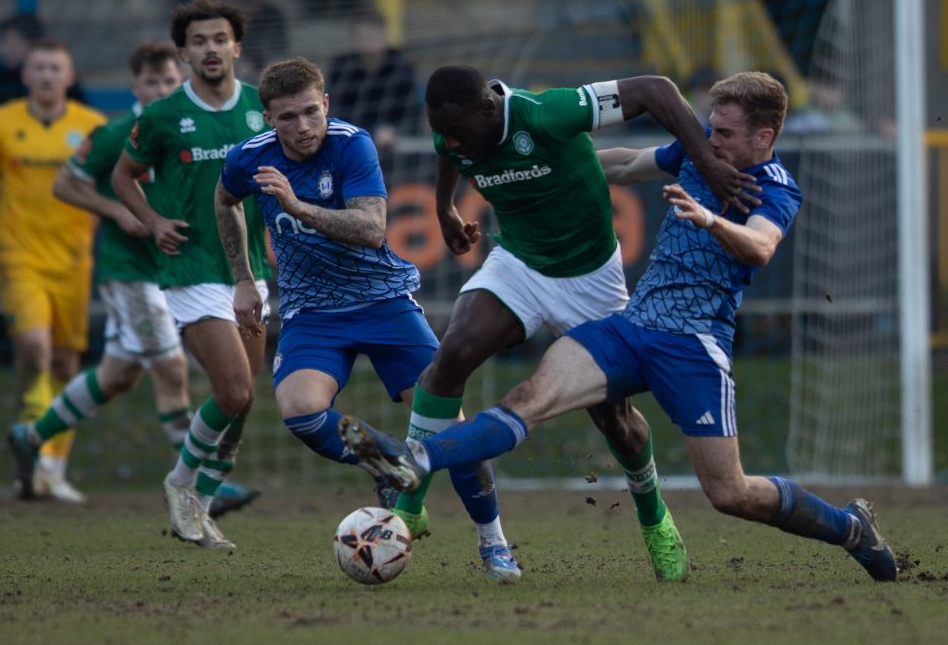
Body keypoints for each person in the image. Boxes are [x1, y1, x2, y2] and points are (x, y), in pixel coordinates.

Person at [339, 71, 899, 583]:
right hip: (631, 328)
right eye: (709, 127)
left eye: (724, 132)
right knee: (529, 397)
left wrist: (709, 217)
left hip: (694, 345)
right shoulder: (695, 152)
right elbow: (629, 162)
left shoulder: (774, 186)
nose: (711, 140)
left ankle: (849, 527)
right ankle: (417, 460)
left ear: (764, 136)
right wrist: (561, 166)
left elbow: (761, 246)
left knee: (729, 492)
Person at [376, 64, 760, 583]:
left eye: (457, 132)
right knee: (452, 356)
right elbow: (450, 155)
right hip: (519, 264)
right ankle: (409, 506)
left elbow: (653, 89)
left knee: (616, 423)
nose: (448, 141)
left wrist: (707, 162)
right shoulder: (457, 130)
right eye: (439, 132)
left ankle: (655, 519)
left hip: (591, 281)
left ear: (490, 109)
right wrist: (444, 208)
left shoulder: (552, 112)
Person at [5, 41, 258, 517]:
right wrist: (119, 212)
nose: (162, 89)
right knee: (171, 367)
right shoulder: (118, 132)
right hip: (133, 273)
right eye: (152, 82)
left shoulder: (190, 124)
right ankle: (200, 479)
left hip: (179, 268)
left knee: (118, 374)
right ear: (134, 85)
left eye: (169, 81)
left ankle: (30, 435)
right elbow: (65, 183)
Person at [216, 56, 448, 550]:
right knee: (300, 410)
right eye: (287, 117)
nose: (302, 127)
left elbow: (371, 230)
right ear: (268, 120)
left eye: (309, 112)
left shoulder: (352, 144)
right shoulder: (248, 157)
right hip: (312, 310)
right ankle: (387, 459)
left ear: (325, 104)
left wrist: (297, 207)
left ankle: (493, 543)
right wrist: (242, 277)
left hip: (381, 299)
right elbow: (224, 200)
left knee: (450, 426)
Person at [111, 0, 272, 549]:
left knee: (244, 397)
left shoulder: (261, 107)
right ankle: (181, 484)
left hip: (248, 271)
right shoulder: (160, 117)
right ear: (183, 53)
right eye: (198, 41)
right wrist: (153, 221)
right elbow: (122, 175)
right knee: (231, 388)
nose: (210, 49)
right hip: (190, 267)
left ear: (236, 47)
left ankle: (200, 506)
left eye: (219, 39)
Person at [0, 38, 106, 501]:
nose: (46, 75)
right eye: (38, 67)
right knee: (37, 350)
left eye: (54, 68)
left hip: (73, 263)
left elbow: (117, 188)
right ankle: (37, 453)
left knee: (64, 363)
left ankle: (53, 468)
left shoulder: (93, 127)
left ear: (69, 75)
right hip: (19, 259)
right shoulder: (0, 123)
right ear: (25, 75)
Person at [0, 13, 87, 133]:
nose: (46, 77)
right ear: (25, 77)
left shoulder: (60, 76)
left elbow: (82, 116)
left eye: (11, 43)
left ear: (29, 45)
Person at [327, 11, 419, 155]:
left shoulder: (401, 66)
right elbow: (334, 109)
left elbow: (412, 111)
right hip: (351, 141)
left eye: (372, 36)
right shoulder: (342, 67)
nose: (367, 42)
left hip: (395, 144)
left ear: (384, 36)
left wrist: (394, 130)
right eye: (362, 37)